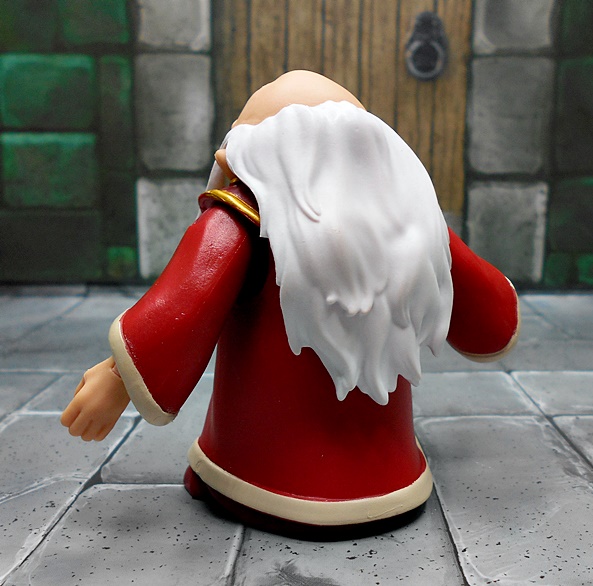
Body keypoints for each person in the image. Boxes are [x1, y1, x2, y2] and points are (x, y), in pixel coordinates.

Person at [62, 70, 520, 530]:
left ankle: (227, 478)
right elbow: (493, 321)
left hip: (265, 474)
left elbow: (181, 308)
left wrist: (119, 375)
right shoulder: (408, 221)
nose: (223, 156)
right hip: (394, 474)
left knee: (240, 466)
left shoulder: (239, 220)